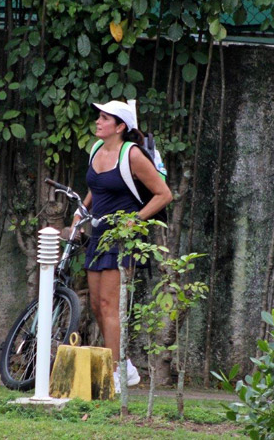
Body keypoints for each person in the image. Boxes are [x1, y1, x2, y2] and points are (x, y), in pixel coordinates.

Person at [72, 100, 172, 393]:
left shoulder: (133, 155)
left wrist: (134, 221)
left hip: (124, 239)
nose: (98, 122)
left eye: (105, 118)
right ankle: (125, 366)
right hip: (100, 234)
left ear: (120, 127)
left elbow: (164, 194)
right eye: (99, 117)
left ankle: (113, 373)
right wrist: (81, 211)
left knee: (109, 306)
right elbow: (96, 186)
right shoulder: (95, 150)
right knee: (95, 304)